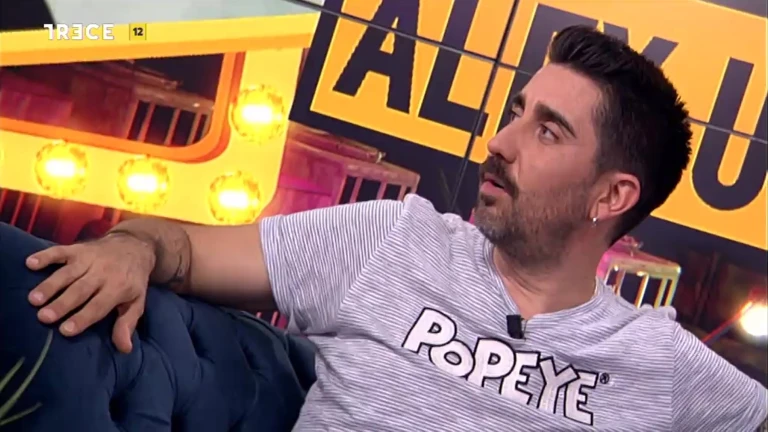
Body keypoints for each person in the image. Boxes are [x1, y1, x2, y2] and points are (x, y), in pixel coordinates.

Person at [24, 26, 767, 430]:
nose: (500, 142)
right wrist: (129, 248)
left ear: (612, 195)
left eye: (547, 131)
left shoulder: (660, 363)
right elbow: (182, 249)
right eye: (515, 112)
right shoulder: (393, 241)